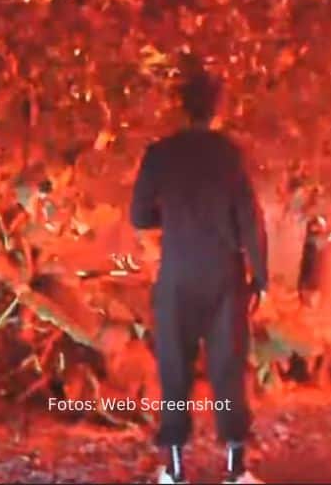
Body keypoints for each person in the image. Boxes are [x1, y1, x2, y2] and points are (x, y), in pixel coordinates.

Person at [130, 69, 267, 485]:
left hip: (177, 273)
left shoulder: (159, 154)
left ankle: (174, 469)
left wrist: (172, 218)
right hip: (223, 275)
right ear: (216, 108)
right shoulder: (230, 154)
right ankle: (235, 469)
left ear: (182, 107)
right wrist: (260, 276)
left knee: (174, 369)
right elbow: (250, 219)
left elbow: (139, 215)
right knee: (228, 369)